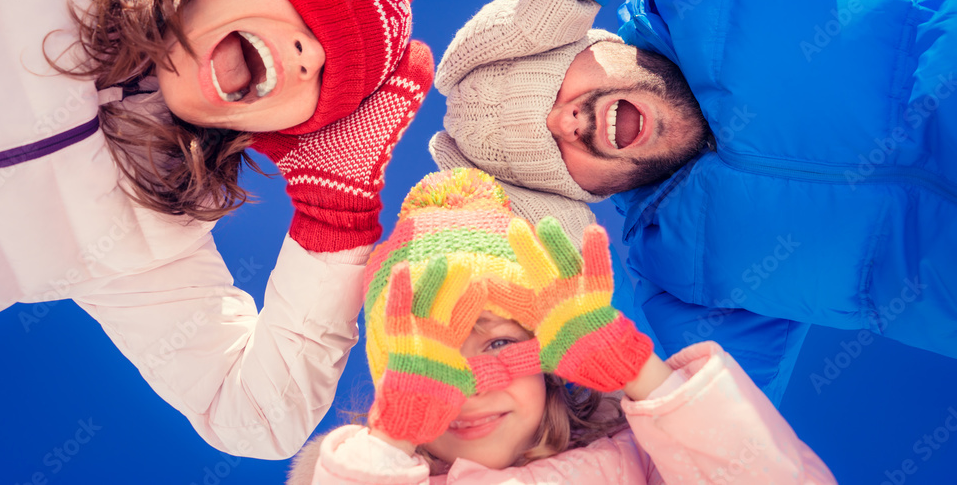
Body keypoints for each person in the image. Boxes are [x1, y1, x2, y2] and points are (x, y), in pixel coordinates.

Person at [429, 0, 957, 405]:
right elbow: (704, 429)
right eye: (545, 157)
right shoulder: (684, 283)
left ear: (592, 39)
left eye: (549, 86)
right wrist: (571, 262)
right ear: (578, 194)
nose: (563, 122)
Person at [0, 0, 431, 458]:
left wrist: (336, 210)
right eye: (308, 8)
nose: (305, 57)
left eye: (324, 83)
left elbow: (258, 420)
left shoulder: (148, 245)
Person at [288, 168, 836, 483]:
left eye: (500, 341)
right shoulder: (361, 473)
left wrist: (639, 372)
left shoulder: (650, 463)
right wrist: (389, 440)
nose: (473, 382)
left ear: (549, 359)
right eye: (436, 358)